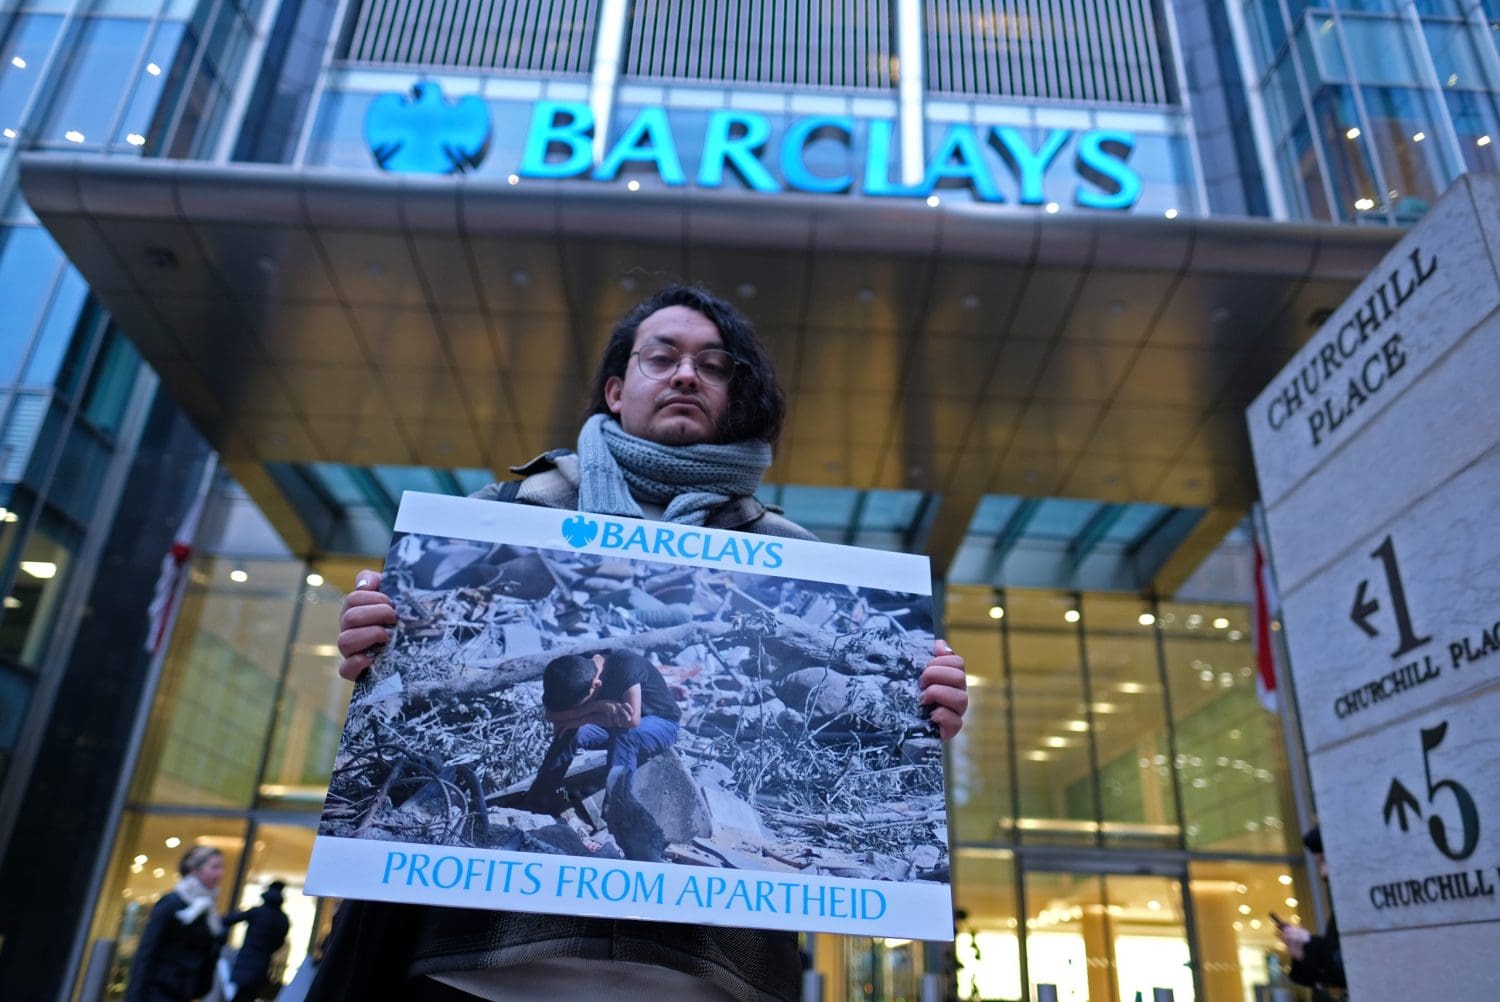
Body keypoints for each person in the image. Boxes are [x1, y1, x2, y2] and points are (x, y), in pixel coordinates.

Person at [315, 284, 970, 1001]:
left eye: (714, 366)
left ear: (736, 397)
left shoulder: (790, 557)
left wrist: (915, 700)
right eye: (663, 358)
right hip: (469, 963)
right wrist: (377, 638)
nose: (687, 374)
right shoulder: (499, 517)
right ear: (617, 388)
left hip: (704, 974)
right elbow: (417, 674)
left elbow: (822, 705)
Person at [526, 650, 682, 861]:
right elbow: (551, 715)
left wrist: (578, 717)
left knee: (625, 735)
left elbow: (631, 720)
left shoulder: (626, 665)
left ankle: (615, 810)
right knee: (570, 732)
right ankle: (542, 795)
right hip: (608, 720)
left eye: (578, 704)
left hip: (659, 723)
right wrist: (597, 707)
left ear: (595, 686)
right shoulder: (574, 667)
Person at [125, 845, 226, 1002]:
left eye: (221, 867)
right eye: (214, 867)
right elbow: (147, 953)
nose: (220, 873)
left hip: (184, 993)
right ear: (194, 870)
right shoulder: (172, 903)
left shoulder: (209, 910)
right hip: (158, 992)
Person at [1277, 825, 1345, 999]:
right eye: (1319, 863)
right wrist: (1303, 952)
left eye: (1325, 861)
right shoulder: (1341, 912)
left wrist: (1310, 945)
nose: (1323, 872)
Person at [223, 881, 291, 1001]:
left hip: (246, 959)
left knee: (239, 995)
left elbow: (228, 921)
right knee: (248, 995)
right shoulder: (282, 919)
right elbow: (279, 943)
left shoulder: (257, 912)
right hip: (262, 963)